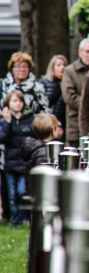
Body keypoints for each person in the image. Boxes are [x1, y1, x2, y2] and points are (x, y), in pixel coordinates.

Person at [0, 90, 34, 227]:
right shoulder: (4, 121)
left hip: (24, 163)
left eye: (20, 101)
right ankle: (16, 222)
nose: (18, 104)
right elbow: (2, 138)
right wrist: (7, 123)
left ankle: (25, 217)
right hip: (9, 164)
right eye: (14, 101)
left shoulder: (29, 119)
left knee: (22, 192)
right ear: (8, 103)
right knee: (12, 195)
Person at [61, 38, 89, 146]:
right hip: (75, 127)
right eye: (87, 51)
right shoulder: (70, 71)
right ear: (80, 52)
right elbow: (69, 97)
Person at [1, 52, 50, 116]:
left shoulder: (37, 88)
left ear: (29, 69)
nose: (22, 69)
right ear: (12, 69)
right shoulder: (3, 85)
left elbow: (45, 110)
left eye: (25, 66)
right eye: (18, 66)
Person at [37, 55, 68, 138]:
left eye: (64, 65)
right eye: (59, 65)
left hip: (63, 125)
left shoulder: (68, 83)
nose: (62, 67)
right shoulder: (43, 83)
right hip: (47, 123)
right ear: (52, 67)